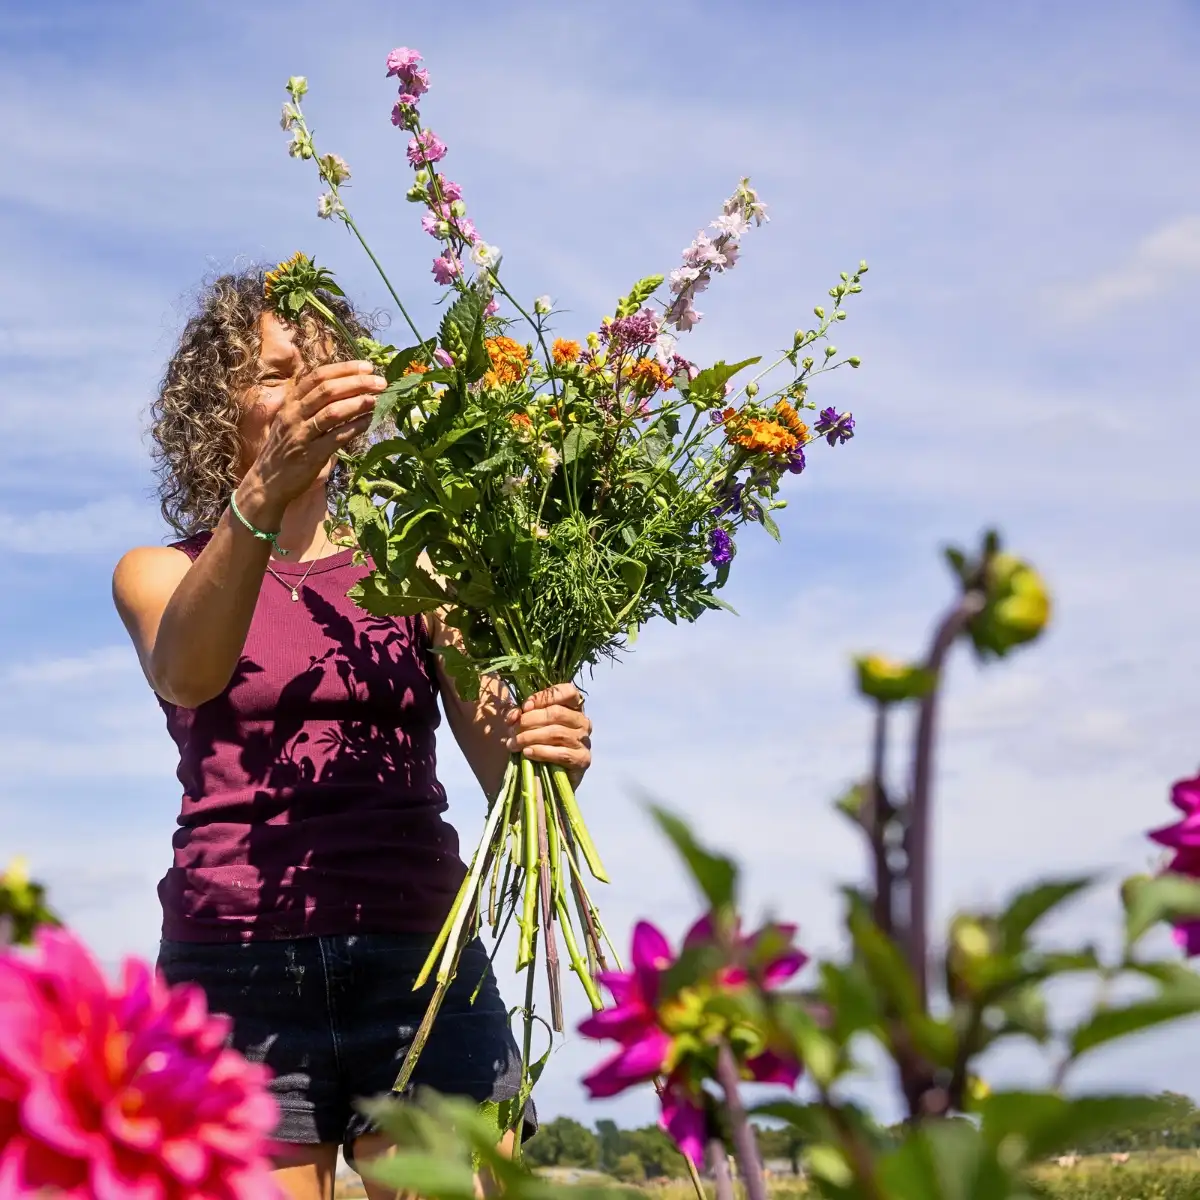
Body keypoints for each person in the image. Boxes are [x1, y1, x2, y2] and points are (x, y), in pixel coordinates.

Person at [112, 269, 593, 1200]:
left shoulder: (420, 567)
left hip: (419, 955)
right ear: (218, 408)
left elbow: (503, 768)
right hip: (234, 962)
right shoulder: (158, 571)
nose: (310, 392)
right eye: (276, 373)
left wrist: (548, 747)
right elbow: (189, 674)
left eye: (326, 369)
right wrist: (266, 487)